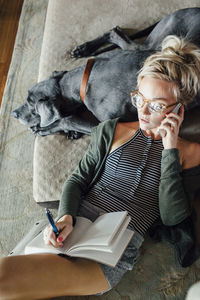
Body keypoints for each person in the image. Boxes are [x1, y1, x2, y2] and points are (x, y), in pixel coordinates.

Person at [0, 35, 200, 299]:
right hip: (69, 225)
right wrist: (65, 216)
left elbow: (172, 216)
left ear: (178, 110)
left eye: (157, 106)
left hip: (112, 245)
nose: (143, 111)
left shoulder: (191, 154)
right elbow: (77, 180)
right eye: (140, 98)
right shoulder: (113, 130)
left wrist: (170, 150)